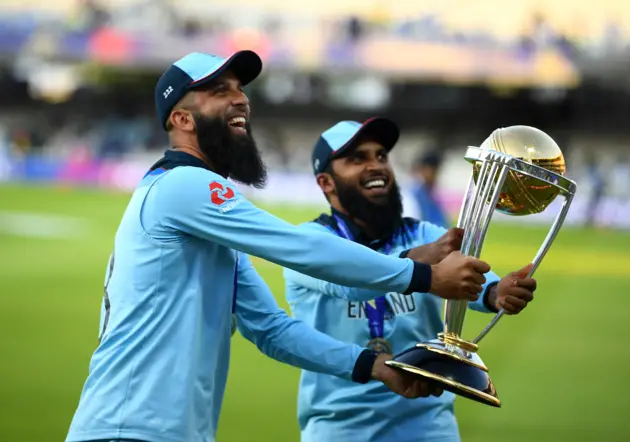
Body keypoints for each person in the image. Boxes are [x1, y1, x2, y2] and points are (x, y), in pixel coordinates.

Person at [65, 51, 492, 442]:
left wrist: (375, 367)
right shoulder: (183, 185)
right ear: (181, 120)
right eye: (219, 91)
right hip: (128, 429)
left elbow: (271, 329)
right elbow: (295, 245)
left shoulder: (201, 219)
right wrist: (422, 276)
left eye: (240, 89)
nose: (240, 99)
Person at [283, 118, 538, 442]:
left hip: (428, 424)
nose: (376, 166)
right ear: (327, 183)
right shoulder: (308, 241)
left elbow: (471, 275)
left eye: (381, 156)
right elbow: (350, 280)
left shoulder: (423, 233)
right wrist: (418, 260)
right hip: (338, 427)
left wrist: (495, 292)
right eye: (357, 158)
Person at [412, 149, 449, 228]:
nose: (435, 175)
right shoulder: (416, 195)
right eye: (432, 170)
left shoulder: (431, 195)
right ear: (422, 169)